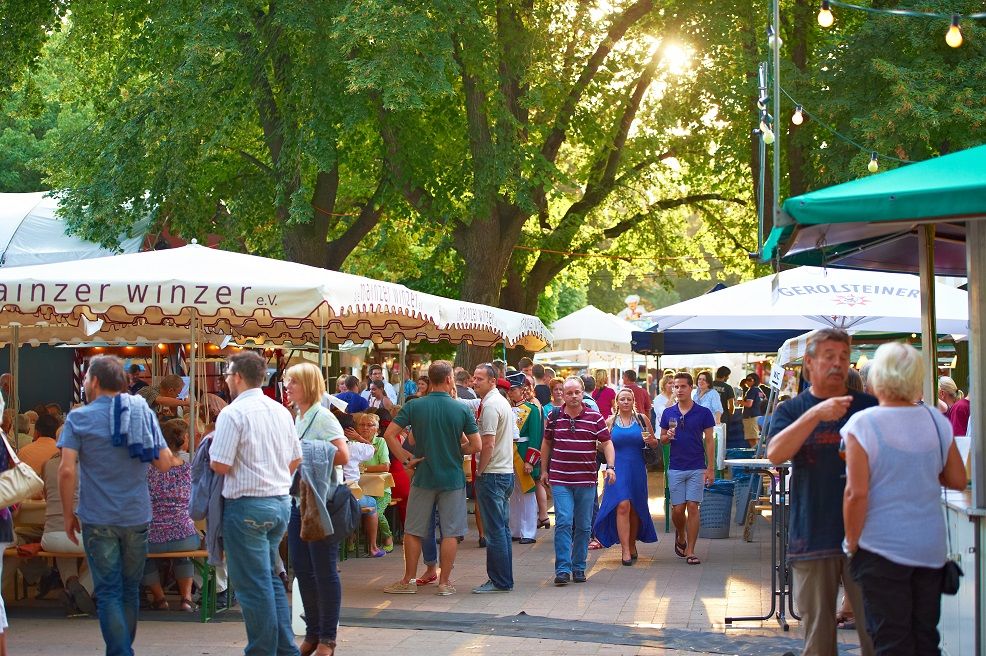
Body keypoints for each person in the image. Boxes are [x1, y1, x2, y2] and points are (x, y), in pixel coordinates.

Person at [842, 342, 967, 655]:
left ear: (878, 378)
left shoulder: (863, 424)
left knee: (889, 638)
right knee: (925, 637)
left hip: (880, 547)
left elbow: (856, 493)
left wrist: (851, 544)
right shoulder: (936, 420)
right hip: (929, 547)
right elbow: (957, 479)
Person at [57, 355, 182, 656]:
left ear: (94, 382)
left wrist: (67, 514)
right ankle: (123, 650)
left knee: (109, 591)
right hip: (136, 515)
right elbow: (163, 463)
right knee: (128, 590)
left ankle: (120, 652)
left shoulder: (79, 418)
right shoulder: (142, 413)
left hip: (98, 516)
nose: (85, 384)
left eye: (86, 379)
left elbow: (66, 470)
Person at [766, 328, 876, 656]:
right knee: (818, 640)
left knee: (878, 635)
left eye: (844, 357)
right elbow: (775, 454)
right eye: (829, 356)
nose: (838, 364)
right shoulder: (793, 409)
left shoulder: (869, 407)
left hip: (868, 538)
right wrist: (815, 414)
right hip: (812, 536)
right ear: (809, 364)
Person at [209, 351, 302, 656]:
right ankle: (285, 649)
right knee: (269, 578)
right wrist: (273, 477)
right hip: (279, 502)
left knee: (252, 585)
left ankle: (262, 650)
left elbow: (220, 464)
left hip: (247, 505)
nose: (226, 380)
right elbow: (296, 458)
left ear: (237, 377)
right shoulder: (280, 411)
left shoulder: (233, 413)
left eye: (227, 375)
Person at [381, 361, 480, 595]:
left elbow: (389, 434)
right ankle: (444, 583)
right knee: (450, 532)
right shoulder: (461, 409)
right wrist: (457, 450)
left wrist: (405, 457)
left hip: (423, 475)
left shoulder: (415, 405)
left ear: (430, 379)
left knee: (414, 530)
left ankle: (408, 580)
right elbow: (476, 445)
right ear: (449, 379)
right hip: (452, 477)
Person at [283, 362, 349, 656]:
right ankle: (312, 633)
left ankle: (327, 639)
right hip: (300, 502)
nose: (287, 387)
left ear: (308, 385)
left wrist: (305, 455)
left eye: (293, 382)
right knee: (302, 570)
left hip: (321, 504)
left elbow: (343, 455)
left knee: (324, 570)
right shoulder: (298, 417)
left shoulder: (323, 417)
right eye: (287, 382)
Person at [541, 378, 615, 586]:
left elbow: (607, 443)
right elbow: (546, 443)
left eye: (577, 392)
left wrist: (610, 466)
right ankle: (563, 569)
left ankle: (579, 567)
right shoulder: (554, 416)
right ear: (562, 395)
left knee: (583, 526)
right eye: (569, 393)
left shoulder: (594, 417)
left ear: (583, 393)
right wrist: (544, 470)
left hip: (586, 479)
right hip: (560, 478)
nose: (573, 396)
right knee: (564, 521)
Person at [592, 389, 658, 565]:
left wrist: (650, 441)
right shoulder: (610, 422)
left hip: (637, 468)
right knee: (622, 505)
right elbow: (601, 444)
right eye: (622, 399)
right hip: (616, 468)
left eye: (629, 399)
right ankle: (625, 550)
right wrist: (598, 444)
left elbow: (654, 442)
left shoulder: (642, 420)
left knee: (635, 507)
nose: (626, 402)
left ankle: (632, 543)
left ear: (633, 401)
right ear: (617, 402)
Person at [143, 419, 200, 612]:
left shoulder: (147, 469)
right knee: (184, 557)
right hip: (185, 536)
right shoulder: (189, 470)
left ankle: (160, 599)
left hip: (153, 536)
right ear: (183, 440)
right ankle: (186, 599)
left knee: (142, 555)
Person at [659, 373, 715, 566]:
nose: (679, 390)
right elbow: (662, 439)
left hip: (696, 465)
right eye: (676, 386)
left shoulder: (703, 412)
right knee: (677, 509)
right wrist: (668, 436)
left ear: (691, 388)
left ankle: (691, 550)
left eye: (683, 386)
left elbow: (709, 440)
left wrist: (710, 468)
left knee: (692, 506)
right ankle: (680, 534)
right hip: (676, 466)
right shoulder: (669, 413)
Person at [469, 363, 516, 593]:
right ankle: (504, 579)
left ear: (492, 381)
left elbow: (487, 443)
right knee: (502, 530)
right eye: (474, 378)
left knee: (495, 531)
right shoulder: (499, 401)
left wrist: (480, 470)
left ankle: (499, 580)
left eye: (479, 379)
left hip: (493, 474)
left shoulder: (490, 405)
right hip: (504, 473)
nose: (474, 382)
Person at [505, 372, 543, 543]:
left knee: (527, 494)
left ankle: (528, 532)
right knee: (512, 494)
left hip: (523, 454)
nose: (510, 393)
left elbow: (535, 437)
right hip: (508, 454)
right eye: (509, 390)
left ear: (522, 390)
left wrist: (530, 461)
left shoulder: (532, 410)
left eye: (513, 389)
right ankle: (515, 529)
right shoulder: (506, 407)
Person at [354, 413, 395, 553]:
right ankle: (351, 539)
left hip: (381, 490)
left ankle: (387, 536)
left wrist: (362, 468)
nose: (365, 428)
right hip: (360, 488)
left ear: (376, 429)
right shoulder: (354, 443)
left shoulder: (380, 442)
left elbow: (385, 466)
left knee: (377, 512)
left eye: (369, 425)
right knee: (350, 510)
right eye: (362, 424)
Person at [741, 373, 765, 447]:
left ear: (755, 380)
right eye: (746, 380)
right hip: (759, 417)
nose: (747, 381)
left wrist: (739, 402)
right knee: (756, 439)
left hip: (751, 418)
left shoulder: (752, 390)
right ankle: (759, 453)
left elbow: (749, 404)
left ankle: (756, 453)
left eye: (749, 380)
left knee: (753, 440)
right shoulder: (759, 391)